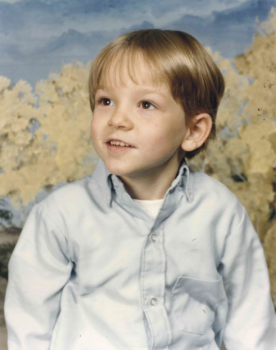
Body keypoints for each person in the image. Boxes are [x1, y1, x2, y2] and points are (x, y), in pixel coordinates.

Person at [4, 29, 276, 350]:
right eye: (106, 101)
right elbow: (30, 322)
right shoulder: (60, 214)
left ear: (193, 130)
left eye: (146, 104)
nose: (117, 119)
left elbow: (250, 318)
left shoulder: (220, 211)